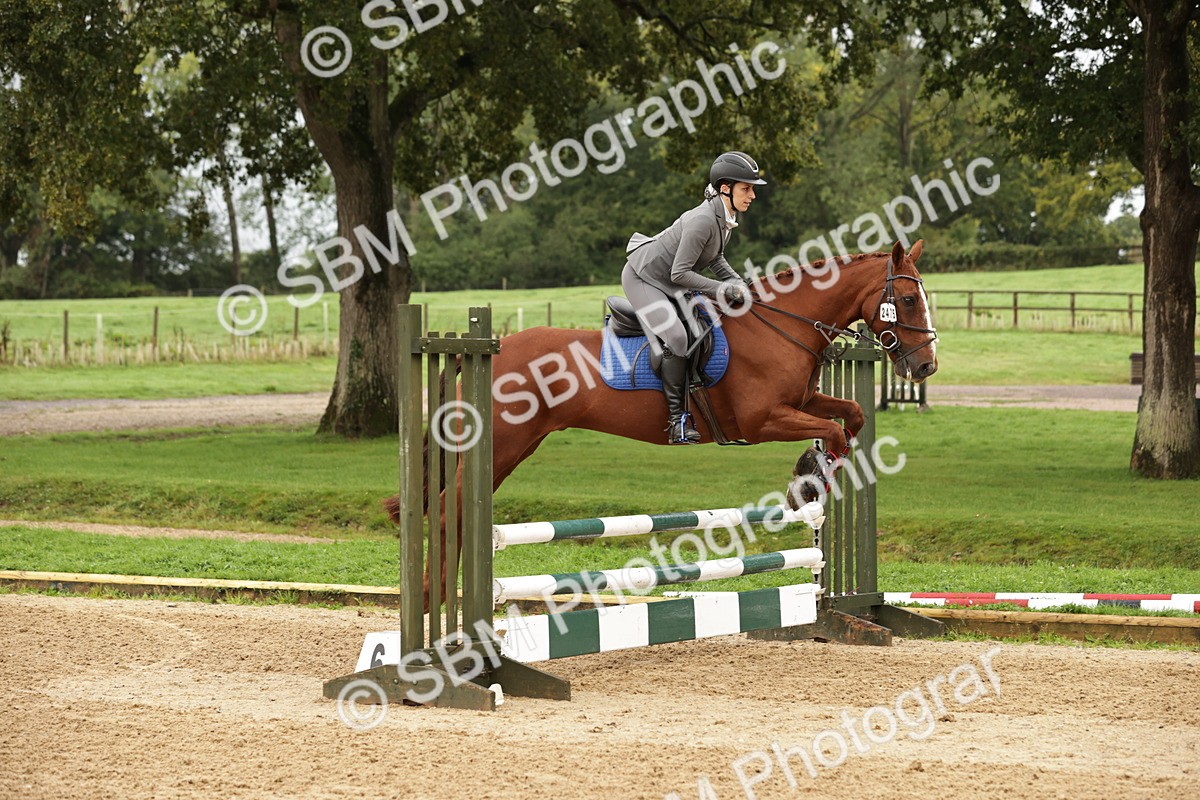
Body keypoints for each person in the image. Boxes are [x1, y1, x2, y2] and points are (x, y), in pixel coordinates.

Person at [621, 151, 766, 445]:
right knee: (676, 336)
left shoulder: (724, 216)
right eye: (746, 188)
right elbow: (680, 274)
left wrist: (737, 281)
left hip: (669, 280)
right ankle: (677, 421)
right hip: (643, 277)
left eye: (752, 189)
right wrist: (723, 289)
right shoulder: (703, 220)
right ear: (725, 187)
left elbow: (715, 258)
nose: (752, 195)